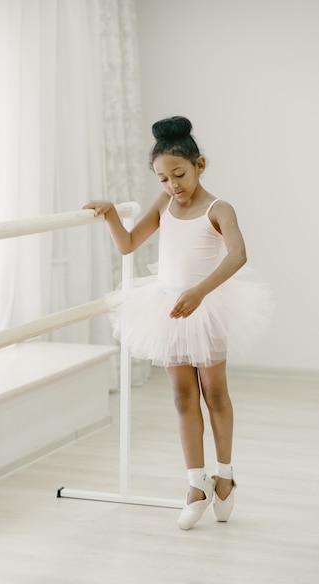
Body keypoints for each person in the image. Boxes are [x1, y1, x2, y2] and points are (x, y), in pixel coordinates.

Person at [83, 116, 273, 530]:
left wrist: (200, 292)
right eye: (163, 178)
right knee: (182, 398)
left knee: (215, 394)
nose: (172, 186)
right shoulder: (163, 205)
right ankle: (195, 485)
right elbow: (129, 243)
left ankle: (225, 477)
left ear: (200, 164)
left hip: (206, 307)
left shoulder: (218, 208)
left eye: (179, 175)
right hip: (168, 309)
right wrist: (112, 213)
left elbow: (238, 255)